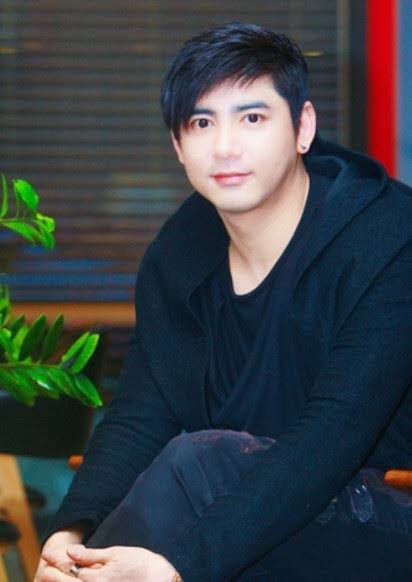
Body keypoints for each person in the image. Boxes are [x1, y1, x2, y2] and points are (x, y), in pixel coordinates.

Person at [35, 22, 412, 582]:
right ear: (178, 145)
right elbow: (140, 415)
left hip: (385, 512)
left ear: (303, 127)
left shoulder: (387, 236)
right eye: (201, 122)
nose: (225, 146)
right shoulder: (179, 253)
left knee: (201, 461)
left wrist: (179, 567)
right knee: (197, 469)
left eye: (252, 118)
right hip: (245, 519)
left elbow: (330, 438)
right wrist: (69, 536)